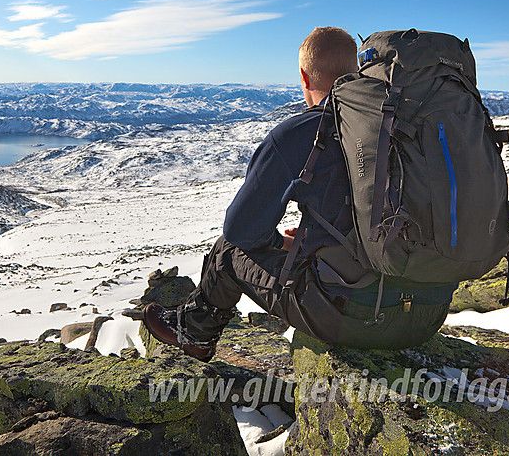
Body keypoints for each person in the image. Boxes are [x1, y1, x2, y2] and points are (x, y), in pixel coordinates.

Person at [143, 26, 456, 361]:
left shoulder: (301, 132)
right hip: (428, 314)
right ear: (358, 72)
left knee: (228, 252)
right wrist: (308, 240)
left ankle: (194, 332)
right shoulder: (405, 129)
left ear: (305, 78)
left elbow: (241, 230)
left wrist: (283, 244)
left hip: (352, 316)